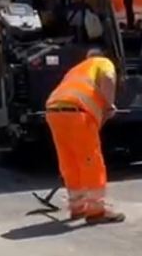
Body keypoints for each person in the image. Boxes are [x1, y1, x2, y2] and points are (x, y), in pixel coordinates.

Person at [45, 49, 124, 224]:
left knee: (69, 160)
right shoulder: (102, 62)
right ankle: (96, 210)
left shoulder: (76, 69)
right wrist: (109, 106)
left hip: (53, 111)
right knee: (90, 160)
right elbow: (109, 78)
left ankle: (77, 207)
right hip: (77, 112)